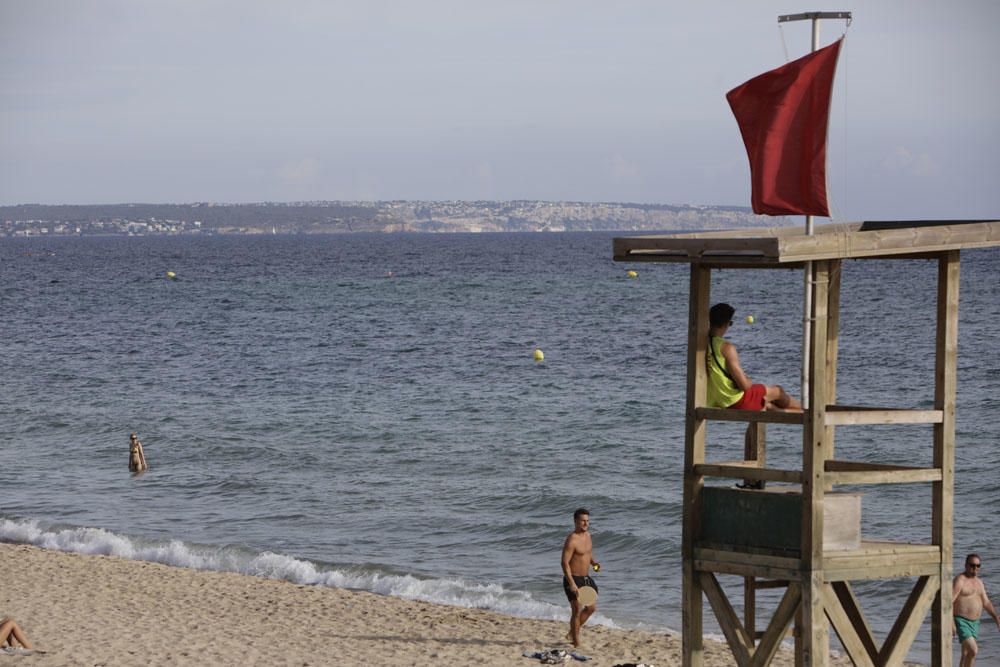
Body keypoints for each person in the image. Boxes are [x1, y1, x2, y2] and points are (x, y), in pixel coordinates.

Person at [706, 303, 802, 412]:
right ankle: (804, 411)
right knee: (778, 391)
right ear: (726, 324)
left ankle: (771, 407)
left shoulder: (701, 343)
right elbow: (744, 386)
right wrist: (749, 380)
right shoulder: (726, 347)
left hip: (713, 401)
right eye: (730, 323)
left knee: (767, 397)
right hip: (733, 401)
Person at [561, 508, 600, 648]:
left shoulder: (588, 536)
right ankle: (576, 642)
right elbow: (564, 563)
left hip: (586, 578)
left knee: (591, 608)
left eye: (587, 521)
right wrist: (571, 583)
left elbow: (587, 554)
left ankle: (572, 632)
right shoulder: (572, 540)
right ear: (575, 521)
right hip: (573, 578)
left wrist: (594, 563)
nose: (586, 523)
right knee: (577, 610)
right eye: (583, 521)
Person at [953, 553, 1000, 667]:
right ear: (966, 565)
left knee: (965, 653)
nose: (975, 568)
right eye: (972, 565)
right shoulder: (960, 580)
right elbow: (949, 601)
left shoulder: (979, 582)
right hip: (961, 621)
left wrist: (996, 617)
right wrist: (951, 622)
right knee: (973, 650)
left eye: (978, 566)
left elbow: (986, 602)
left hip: (975, 623)